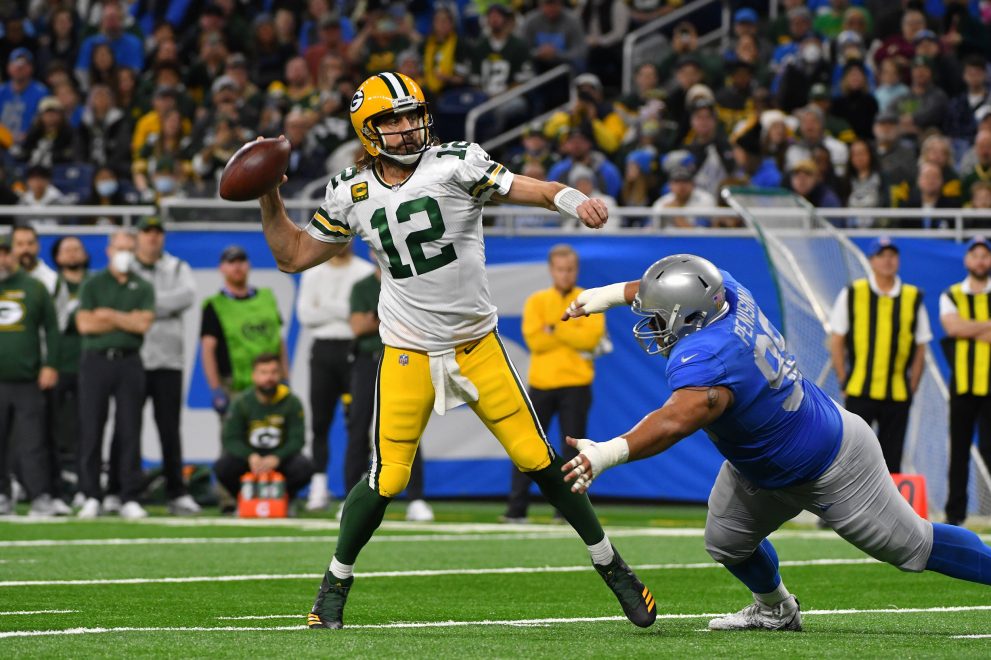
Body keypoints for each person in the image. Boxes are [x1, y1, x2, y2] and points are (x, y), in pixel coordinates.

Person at [254, 71, 655, 630]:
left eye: (410, 113)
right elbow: (293, 255)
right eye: (390, 120)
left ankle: (614, 568)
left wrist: (572, 197)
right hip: (407, 350)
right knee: (387, 479)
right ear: (367, 131)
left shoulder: (456, 162)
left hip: (475, 345)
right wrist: (269, 192)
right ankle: (332, 589)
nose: (406, 125)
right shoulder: (349, 189)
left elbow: (526, 187)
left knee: (540, 460)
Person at [559, 254, 991, 632]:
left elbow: (674, 421)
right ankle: (776, 610)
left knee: (914, 547)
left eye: (658, 318)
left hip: (833, 463)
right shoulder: (723, 289)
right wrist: (610, 293)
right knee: (726, 542)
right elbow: (667, 288)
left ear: (689, 319)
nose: (652, 324)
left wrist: (607, 452)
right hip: (762, 462)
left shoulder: (708, 354)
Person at [504, 245, 605, 523]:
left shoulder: (590, 299)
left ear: (576, 270)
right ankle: (516, 509)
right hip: (542, 383)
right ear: (551, 270)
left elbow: (590, 340)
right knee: (527, 447)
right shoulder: (537, 301)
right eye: (560, 269)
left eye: (570, 269)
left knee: (573, 450)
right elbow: (535, 341)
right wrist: (571, 329)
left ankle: (569, 511)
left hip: (577, 384)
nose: (565, 274)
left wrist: (553, 328)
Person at [828, 238, 931, 473]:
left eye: (892, 255)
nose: (887, 260)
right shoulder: (854, 293)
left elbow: (921, 347)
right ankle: (850, 509)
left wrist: (910, 387)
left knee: (892, 459)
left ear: (898, 260)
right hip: (860, 390)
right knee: (853, 456)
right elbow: (837, 339)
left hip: (897, 393)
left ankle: (887, 511)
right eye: (881, 255)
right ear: (871, 261)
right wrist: (844, 379)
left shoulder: (912, 297)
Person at [74, 231, 155, 520]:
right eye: (119, 248)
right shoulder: (93, 283)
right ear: (109, 250)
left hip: (129, 362)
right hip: (95, 362)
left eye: (129, 248)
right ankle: (91, 494)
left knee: (130, 429)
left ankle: (128, 495)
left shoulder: (143, 286)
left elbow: (142, 324)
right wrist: (125, 318)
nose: (124, 253)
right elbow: (84, 324)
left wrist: (107, 314)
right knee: (92, 429)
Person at [346, 265, 433, 522]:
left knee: (409, 426)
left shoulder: (411, 281)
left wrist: (378, 316)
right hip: (368, 359)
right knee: (358, 426)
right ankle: (350, 499)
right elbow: (358, 327)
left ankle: (416, 498)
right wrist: (395, 316)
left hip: (403, 359)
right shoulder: (362, 286)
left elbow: (419, 321)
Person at [295, 244, 374, 512]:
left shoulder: (363, 271)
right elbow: (306, 315)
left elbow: (357, 319)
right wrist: (346, 311)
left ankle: (358, 485)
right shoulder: (312, 273)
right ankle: (318, 485)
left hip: (353, 350)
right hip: (322, 349)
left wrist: (327, 306)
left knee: (358, 422)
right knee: (320, 420)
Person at [130, 216, 200, 516]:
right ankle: (126, 493)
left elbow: (185, 297)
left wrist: (143, 305)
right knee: (128, 429)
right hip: (133, 358)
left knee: (169, 430)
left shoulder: (177, 266)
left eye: (157, 232)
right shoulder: (125, 268)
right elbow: (121, 302)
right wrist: (157, 305)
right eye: (147, 232)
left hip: (169, 360)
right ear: (138, 237)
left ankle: (177, 492)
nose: (152, 237)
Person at [0, 235, 63, 517]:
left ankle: (40, 496)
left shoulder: (34, 287)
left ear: (14, 255)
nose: (2, 259)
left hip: (27, 378)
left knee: (33, 442)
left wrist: (50, 364)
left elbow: (51, 328)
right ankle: (3, 496)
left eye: (6, 253)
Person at [213, 353, 315, 507]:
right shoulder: (242, 402)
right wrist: (250, 456)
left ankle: (285, 498)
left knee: (304, 466)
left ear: (280, 374)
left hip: (279, 461)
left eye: (274, 372)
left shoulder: (291, 402)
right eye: (264, 373)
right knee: (223, 467)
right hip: (250, 461)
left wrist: (277, 457)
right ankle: (243, 499)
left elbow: (297, 439)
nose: (269, 378)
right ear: (254, 375)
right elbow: (230, 439)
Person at [939, 236, 991, 527]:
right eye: (976, 255)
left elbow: (960, 328)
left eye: (985, 255)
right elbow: (951, 326)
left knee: (990, 449)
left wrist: (968, 328)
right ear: (967, 260)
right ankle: (955, 513)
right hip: (963, 385)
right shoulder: (952, 294)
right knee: (958, 451)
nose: (981, 261)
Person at [200, 245, 287, 417]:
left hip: (270, 382)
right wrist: (216, 388)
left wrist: (285, 378)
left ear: (249, 265)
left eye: (241, 261)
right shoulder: (215, 305)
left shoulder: (266, 298)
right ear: (222, 268)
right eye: (231, 262)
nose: (237, 266)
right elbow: (208, 349)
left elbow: (279, 340)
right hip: (234, 387)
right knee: (235, 440)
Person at [49, 236, 89, 507]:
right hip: (58, 365)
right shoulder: (51, 284)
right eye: (67, 249)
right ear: (58, 257)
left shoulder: (96, 283)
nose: (73, 254)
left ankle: (85, 487)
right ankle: (56, 490)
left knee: (88, 430)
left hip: (89, 365)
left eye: (77, 248)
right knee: (53, 430)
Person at [11, 225, 57, 294]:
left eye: (30, 243)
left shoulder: (53, 279)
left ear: (38, 245)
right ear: (11, 247)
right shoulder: (3, 277)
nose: (25, 249)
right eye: (20, 244)